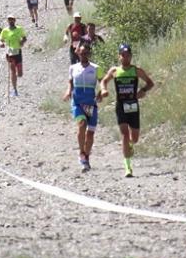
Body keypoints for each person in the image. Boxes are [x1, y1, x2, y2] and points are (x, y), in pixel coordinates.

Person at [99, 44, 154, 177]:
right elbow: (103, 81)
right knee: (124, 134)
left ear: (131, 56)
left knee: (134, 138)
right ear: (119, 56)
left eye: (128, 55)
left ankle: (130, 145)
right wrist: (103, 90)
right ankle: (128, 167)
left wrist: (143, 91)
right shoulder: (115, 70)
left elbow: (150, 83)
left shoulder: (136, 70)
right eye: (123, 55)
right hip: (121, 106)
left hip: (133, 105)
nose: (126, 57)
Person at [63, 43, 103, 172]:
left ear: (90, 54)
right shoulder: (73, 68)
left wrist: (101, 92)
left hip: (91, 103)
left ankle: (86, 157)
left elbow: (103, 82)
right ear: (78, 53)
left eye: (86, 53)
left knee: (90, 134)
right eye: (81, 53)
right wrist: (68, 91)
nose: (83, 55)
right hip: (78, 102)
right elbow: (70, 82)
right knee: (82, 124)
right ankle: (81, 152)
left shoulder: (96, 68)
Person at [0, 15, 27, 96]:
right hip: (9, 52)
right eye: (9, 19)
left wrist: (22, 42)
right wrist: (1, 43)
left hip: (18, 51)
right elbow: (0, 39)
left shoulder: (19, 29)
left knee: (20, 74)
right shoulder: (5, 30)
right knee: (13, 71)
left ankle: (17, 76)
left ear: (15, 20)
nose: (10, 21)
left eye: (12, 19)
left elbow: (24, 38)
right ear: (7, 21)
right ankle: (15, 90)